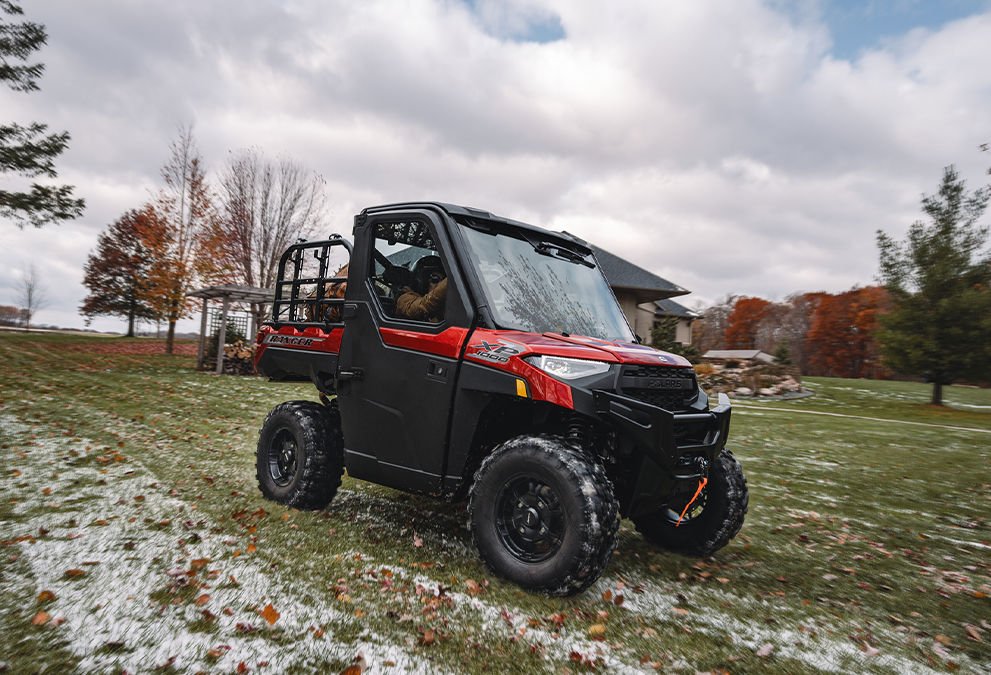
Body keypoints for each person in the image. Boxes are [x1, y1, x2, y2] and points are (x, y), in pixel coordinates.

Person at [396, 256, 448, 322]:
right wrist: (451, 278)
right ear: (423, 281)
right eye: (435, 279)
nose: (440, 285)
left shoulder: (442, 302)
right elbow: (423, 306)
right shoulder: (404, 299)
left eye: (443, 280)